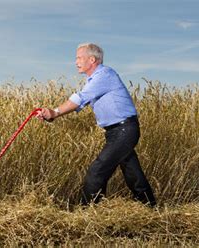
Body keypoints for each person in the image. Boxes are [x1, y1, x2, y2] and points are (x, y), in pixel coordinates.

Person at [37, 43, 156, 207]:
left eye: (79, 58)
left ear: (92, 59)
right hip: (117, 132)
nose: (76, 62)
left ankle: (87, 212)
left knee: (97, 170)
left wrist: (55, 112)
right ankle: (149, 206)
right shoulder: (94, 79)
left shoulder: (104, 75)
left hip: (124, 130)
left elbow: (80, 98)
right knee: (132, 171)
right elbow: (80, 102)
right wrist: (51, 114)